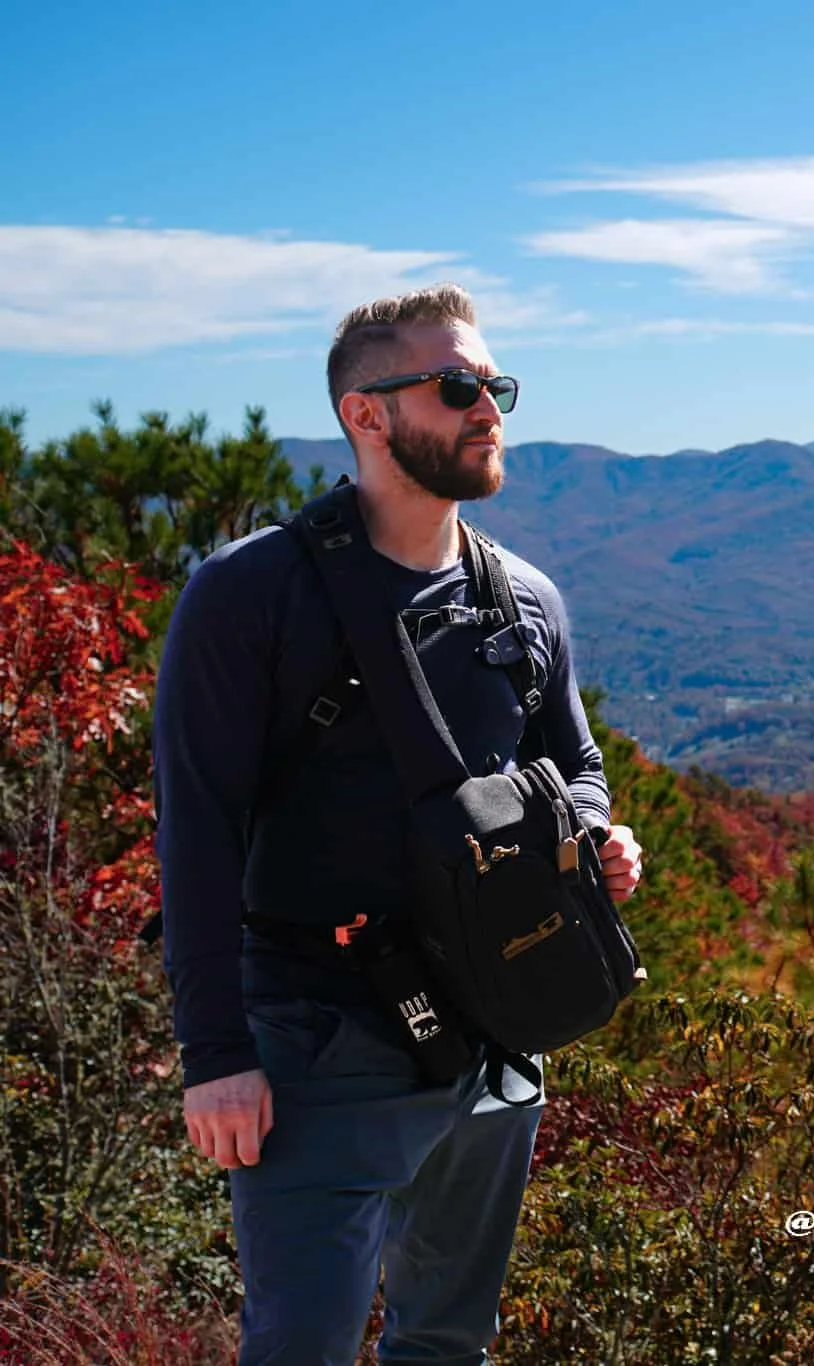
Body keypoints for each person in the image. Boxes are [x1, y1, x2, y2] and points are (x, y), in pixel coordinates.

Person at [152, 282, 643, 1365]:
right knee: (302, 1346)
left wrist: (599, 832)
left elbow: (574, 759)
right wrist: (214, 1054)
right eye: (458, 386)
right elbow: (194, 832)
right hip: (316, 1039)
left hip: (495, 1031)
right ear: (364, 415)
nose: (489, 410)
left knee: (448, 1343)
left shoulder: (524, 598)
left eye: (496, 386)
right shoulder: (252, 593)